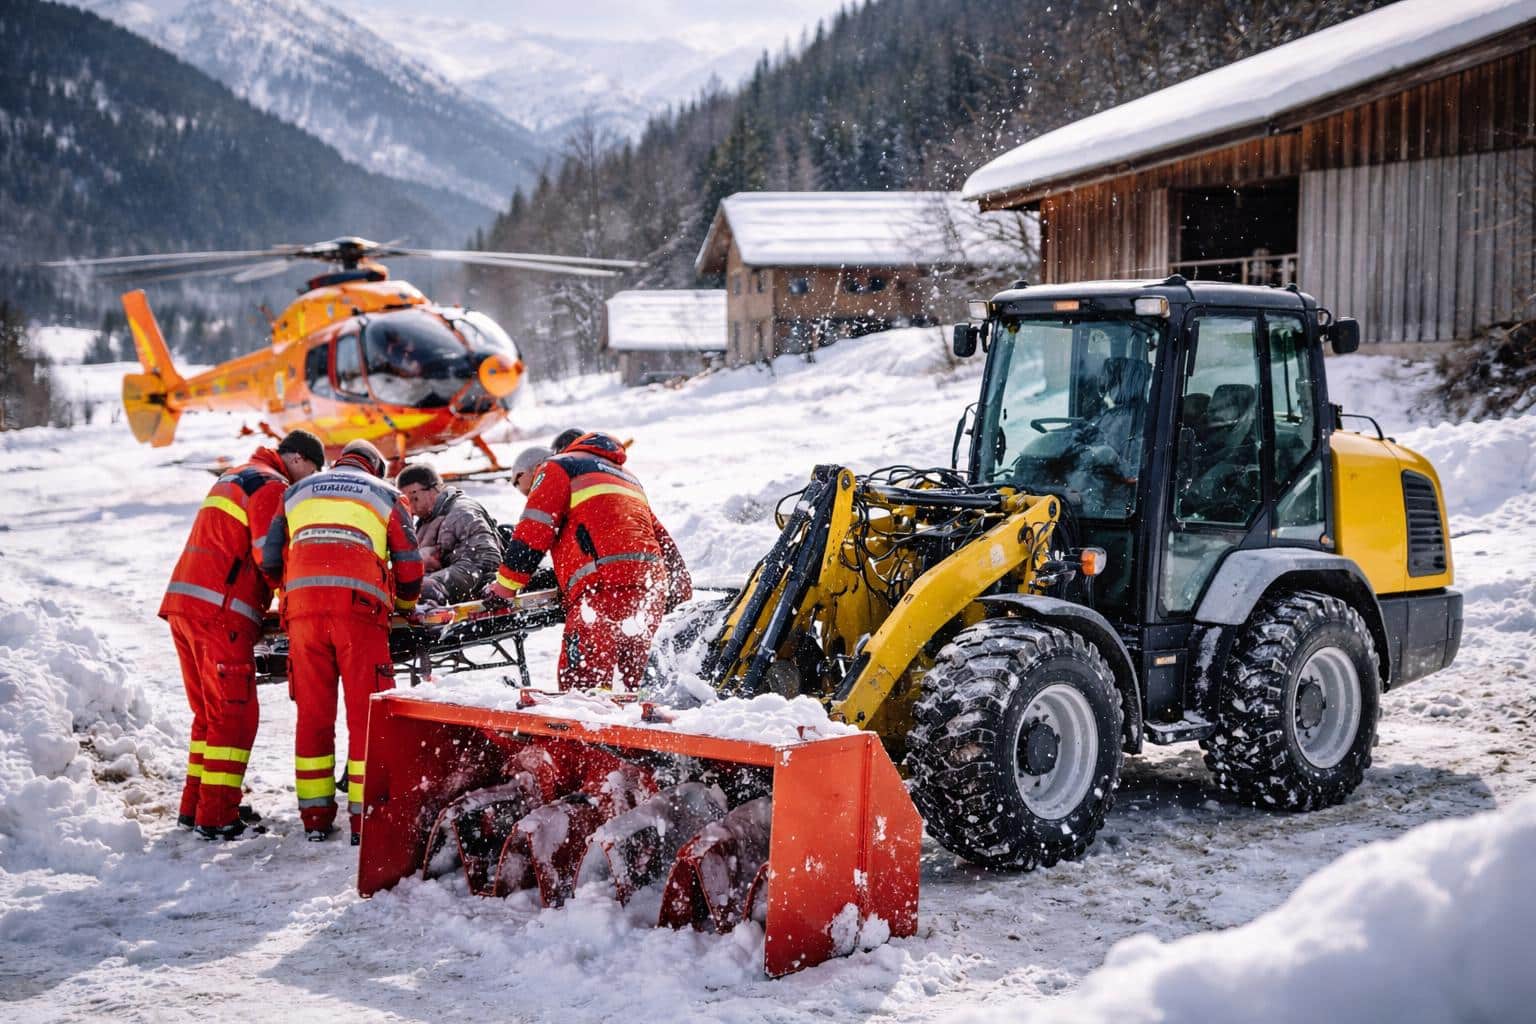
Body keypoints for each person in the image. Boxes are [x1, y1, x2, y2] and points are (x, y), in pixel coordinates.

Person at [161, 428, 324, 840]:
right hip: (220, 613)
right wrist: (297, 594)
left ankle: (195, 807)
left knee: (210, 716)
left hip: (187, 605)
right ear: (299, 461)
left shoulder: (237, 474)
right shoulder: (271, 486)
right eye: (309, 475)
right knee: (235, 716)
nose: (303, 485)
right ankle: (216, 818)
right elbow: (270, 555)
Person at [262, 439, 422, 844]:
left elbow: (269, 559)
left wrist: (297, 592)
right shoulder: (387, 495)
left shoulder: (296, 491)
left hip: (302, 615)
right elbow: (409, 565)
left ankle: (314, 818)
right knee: (366, 719)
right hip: (360, 615)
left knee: (313, 716)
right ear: (375, 468)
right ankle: (364, 821)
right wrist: (402, 606)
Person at [486, 431, 691, 691]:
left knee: (583, 688)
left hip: (602, 589)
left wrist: (504, 589)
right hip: (649, 590)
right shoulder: (626, 477)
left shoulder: (556, 467)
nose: (529, 495)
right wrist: (678, 592)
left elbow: (534, 530)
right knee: (633, 686)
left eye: (527, 489)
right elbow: (661, 538)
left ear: (528, 472)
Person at [396, 462, 502, 606]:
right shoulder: (425, 520)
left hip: (477, 585)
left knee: (417, 590)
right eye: (406, 504)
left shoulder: (462, 513)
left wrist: (438, 583)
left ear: (433, 489)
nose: (411, 510)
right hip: (454, 583)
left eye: (414, 500)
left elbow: (487, 559)